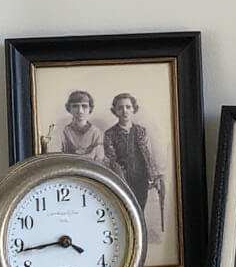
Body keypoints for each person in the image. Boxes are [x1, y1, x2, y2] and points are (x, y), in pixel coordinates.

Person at [103, 93, 166, 225]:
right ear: (115, 111)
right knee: (124, 210)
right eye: (120, 108)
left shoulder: (141, 131)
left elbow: (147, 154)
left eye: (128, 107)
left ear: (133, 109)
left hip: (141, 178)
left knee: (139, 210)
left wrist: (153, 176)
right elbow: (111, 158)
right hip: (122, 179)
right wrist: (120, 178)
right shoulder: (110, 134)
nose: (124, 111)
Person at [44, 89, 106, 159]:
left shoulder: (96, 133)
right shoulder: (64, 131)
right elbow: (57, 156)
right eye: (75, 106)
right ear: (69, 108)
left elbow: (99, 158)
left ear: (90, 108)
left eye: (84, 106)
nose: (80, 111)